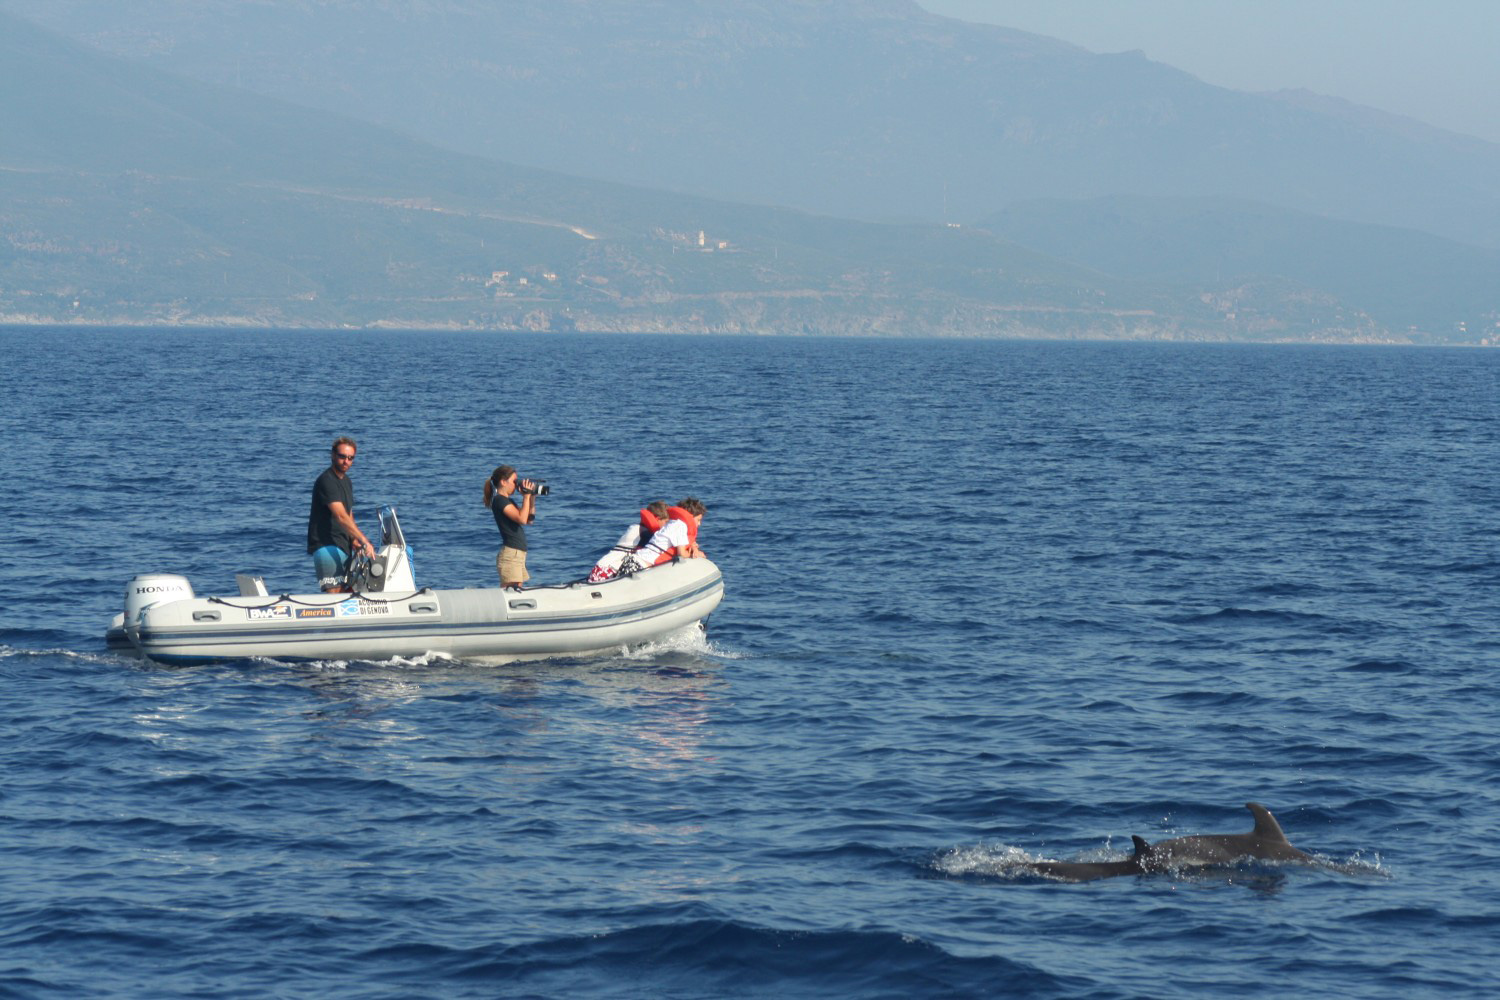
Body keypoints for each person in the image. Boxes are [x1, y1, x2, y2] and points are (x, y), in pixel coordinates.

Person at [307, 436, 376, 592]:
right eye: (342, 456)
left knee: (349, 593)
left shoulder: (346, 481)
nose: (346, 461)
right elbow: (340, 516)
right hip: (326, 546)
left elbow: (348, 513)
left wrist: (354, 540)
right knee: (334, 596)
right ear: (333, 455)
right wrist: (364, 540)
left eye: (350, 458)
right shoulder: (327, 481)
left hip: (344, 546)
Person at [588, 501, 670, 583]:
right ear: (658, 519)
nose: (667, 526)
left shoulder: (636, 528)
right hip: (608, 570)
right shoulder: (643, 532)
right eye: (666, 522)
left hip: (603, 567)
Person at [621, 497, 707, 574]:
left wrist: (693, 547)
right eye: (698, 520)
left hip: (633, 560)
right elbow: (682, 554)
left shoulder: (672, 523)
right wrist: (698, 554)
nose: (699, 524)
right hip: (639, 565)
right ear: (691, 516)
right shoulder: (681, 526)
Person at [485, 465, 537, 590]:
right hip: (511, 554)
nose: (516, 485)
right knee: (510, 592)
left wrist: (532, 498)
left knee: (516, 590)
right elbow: (521, 519)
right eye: (514, 481)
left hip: (517, 554)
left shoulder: (508, 501)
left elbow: (529, 520)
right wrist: (526, 496)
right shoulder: (499, 501)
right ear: (503, 482)